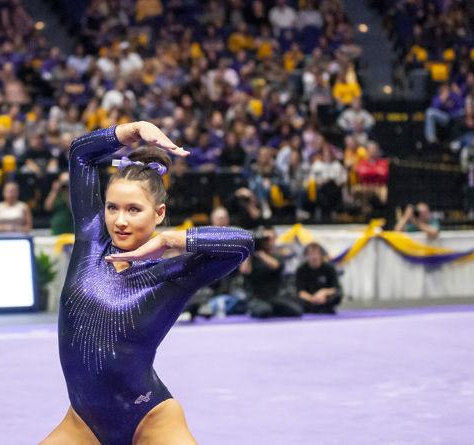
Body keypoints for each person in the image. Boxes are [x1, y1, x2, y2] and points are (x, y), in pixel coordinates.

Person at [41, 122, 254, 444]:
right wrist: (133, 130)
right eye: (112, 208)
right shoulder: (92, 243)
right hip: (83, 424)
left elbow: (242, 243)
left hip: (150, 418)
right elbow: (80, 154)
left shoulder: (176, 274)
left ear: (158, 213)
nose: (120, 220)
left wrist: (172, 240)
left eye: (134, 210)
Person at [244, 226, 303, 319]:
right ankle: (254, 309)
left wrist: (260, 253)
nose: (267, 242)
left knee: (296, 311)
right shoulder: (251, 258)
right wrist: (248, 251)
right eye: (264, 239)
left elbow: (276, 265)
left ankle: (272, 310)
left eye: (269, 239)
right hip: (257, 297)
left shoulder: (277, 255)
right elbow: (245, 271)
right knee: (264, 311)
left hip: (273, 297)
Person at [295, 242, 342, 314]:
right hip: (309, 299)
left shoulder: (329, 268)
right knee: (296, 299)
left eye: (316, 253)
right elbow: (300, 291)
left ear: (321, 255)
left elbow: (335, 288)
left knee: (337, 295)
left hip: (324, 299)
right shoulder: (301, 269)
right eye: (311, 254)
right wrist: (312, 299)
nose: (314, 256)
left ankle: (324, 308)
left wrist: (324, 292)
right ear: (306, 255)